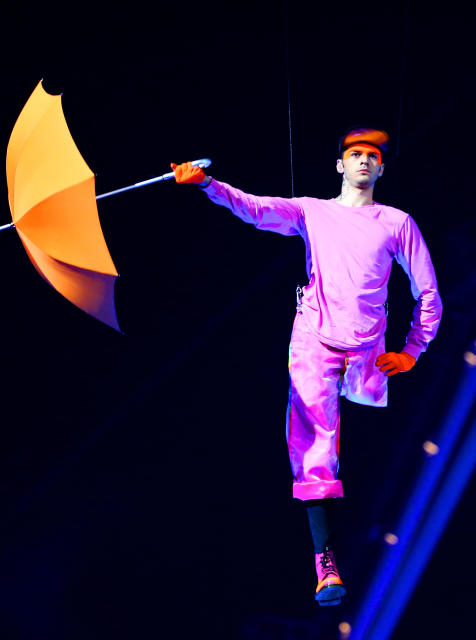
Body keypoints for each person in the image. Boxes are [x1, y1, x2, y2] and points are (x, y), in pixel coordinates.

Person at [171, 127, 442, 606]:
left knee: (363, 434)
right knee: (315, 445)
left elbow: (428, 293)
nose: (363, 161)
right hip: (315, 338)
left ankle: (364, 528)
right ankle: (326, 561)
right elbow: (255, 209)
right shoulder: (312, 211)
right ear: (341, 165)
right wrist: (207, 186)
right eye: (355, 154)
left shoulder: (397, 222)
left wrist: (412, 350)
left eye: (372, 156)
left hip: (368, 350)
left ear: (381, 168)